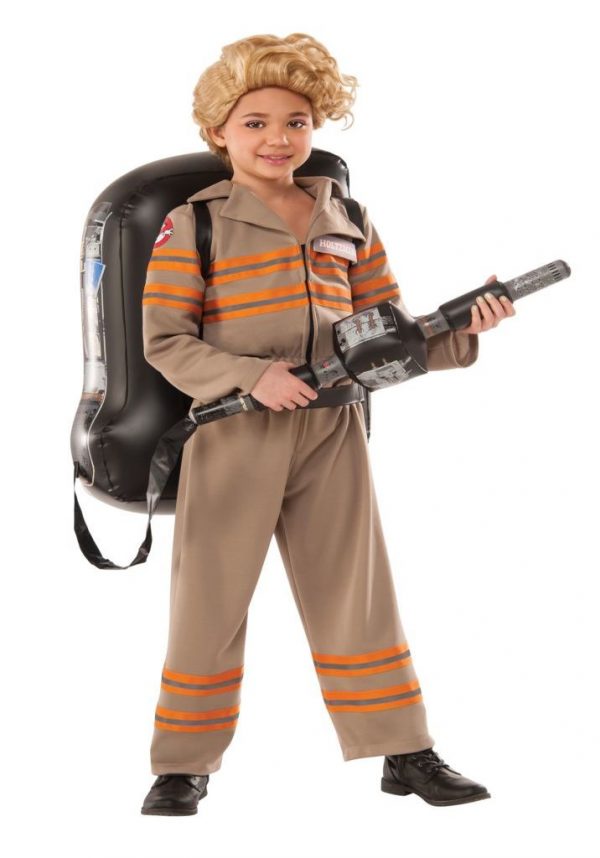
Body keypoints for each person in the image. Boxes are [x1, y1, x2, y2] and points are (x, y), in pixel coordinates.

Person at [140, 32, 516, 817]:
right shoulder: (195, 224)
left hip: (334, 431)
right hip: (235, 431)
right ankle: (182, 764)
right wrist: (252, 376)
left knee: (357, 592)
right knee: (210, 600)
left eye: (297, 121)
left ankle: (403, 751)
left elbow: (387, 338)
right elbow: (165, 341)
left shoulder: (348, 218)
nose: (278, 138)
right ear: (217, 131)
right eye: (255, 123)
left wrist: (464, 331)